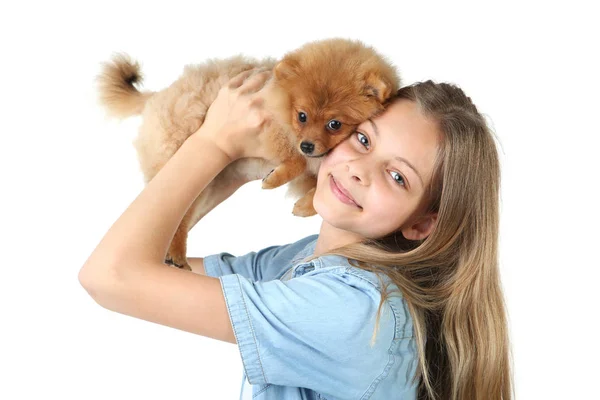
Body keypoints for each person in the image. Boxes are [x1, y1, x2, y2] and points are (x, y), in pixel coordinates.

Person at [79, 68, 513, 400]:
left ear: (422, 223)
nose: (359, 170)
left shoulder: (354, 312)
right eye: (362, 138)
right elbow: (152, 266)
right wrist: (232, 174)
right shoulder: (307, 263)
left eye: (398, 176)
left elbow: (111, 275)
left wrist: (213, 144)